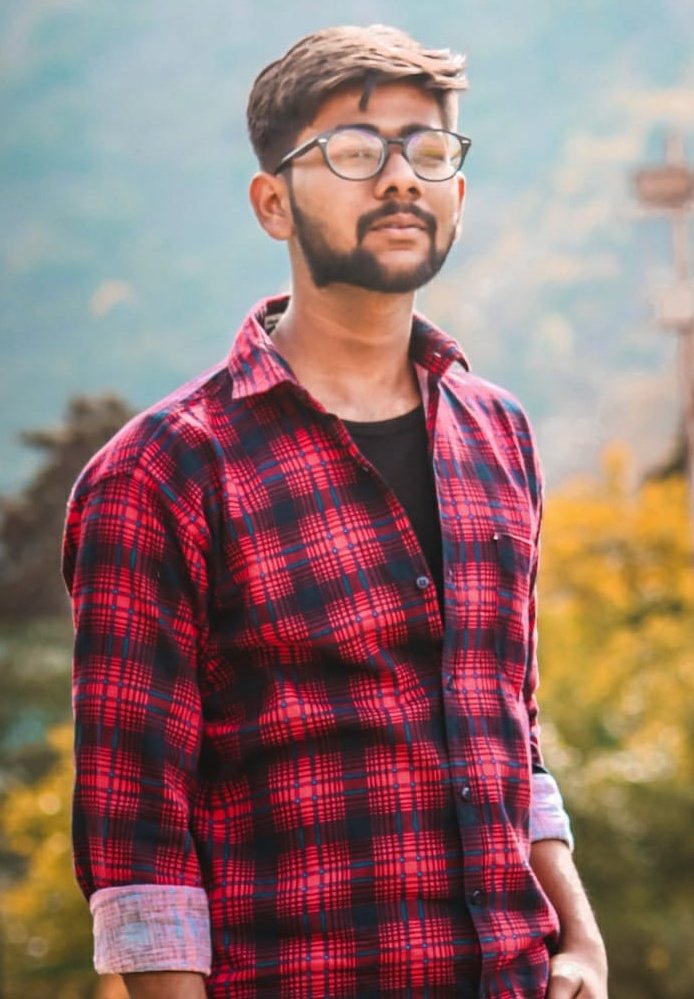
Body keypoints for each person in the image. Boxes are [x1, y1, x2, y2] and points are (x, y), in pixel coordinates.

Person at [63, 24, 608, 999]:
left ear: (459, 193)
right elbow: (137, 840)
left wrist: (581, 940)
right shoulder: (162, 473)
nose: (399, 178)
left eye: (428, 151)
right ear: (272, 201)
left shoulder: (499, 434)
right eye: (355, 151)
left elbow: (508, 728)